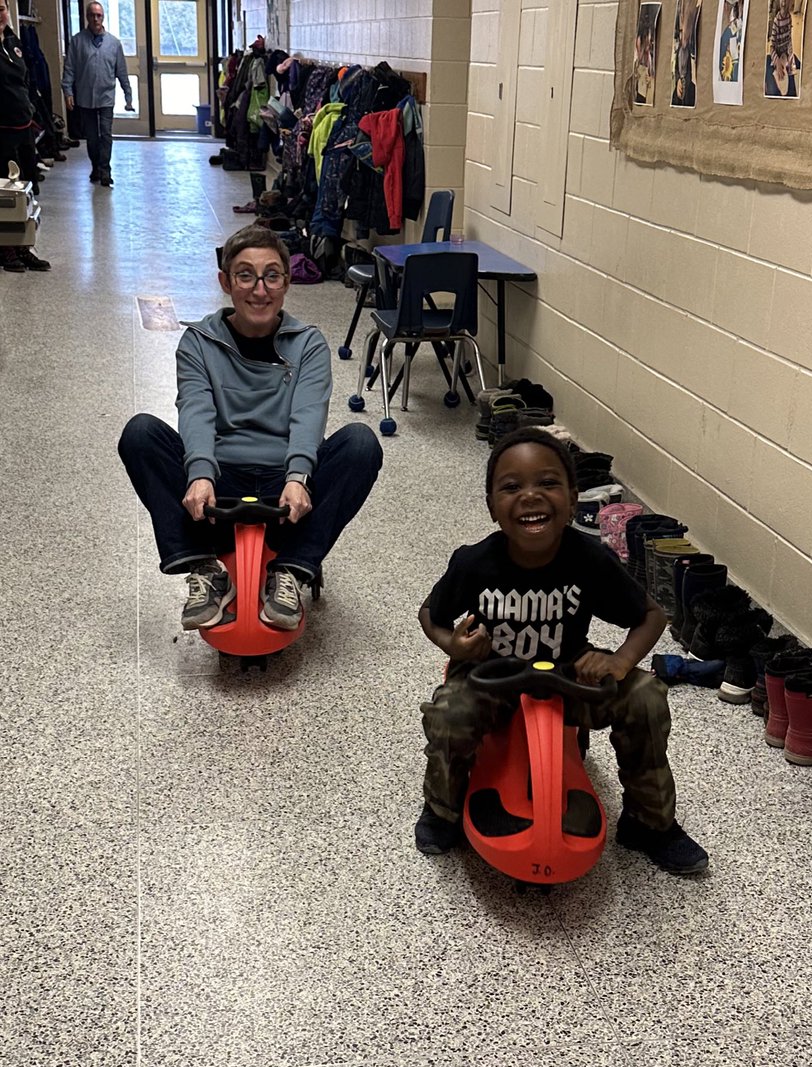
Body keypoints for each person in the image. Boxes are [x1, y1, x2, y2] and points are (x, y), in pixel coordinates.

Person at [414, 427, 709, 876]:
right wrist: (453, 644)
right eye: (511, 487)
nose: (530, 496)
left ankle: (650, 823)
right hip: (489, 679)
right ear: (492, 507)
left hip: (570, 677)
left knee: (646, 696)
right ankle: (443, 808)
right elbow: (429, 614)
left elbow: (651, 615)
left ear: (573, 500)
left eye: (547, 483)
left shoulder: (589, 558)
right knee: (449, 712)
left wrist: (620, 661)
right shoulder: (474, 562)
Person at [118, 224, 383, 632]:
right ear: (225, 282)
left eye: (271, 275)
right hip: (218, 483)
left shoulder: (308, 343)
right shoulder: (199, 342)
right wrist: (200, 473)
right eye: (245, 275)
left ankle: (292, 569)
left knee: (361, 444)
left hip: (287, 488)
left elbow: (308, 417)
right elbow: (196, 410)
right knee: (140, 433)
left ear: (287, 282)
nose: (259, 290)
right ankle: (204, 567)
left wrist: (298, 477)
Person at [0, 0, 51, 272]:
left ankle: (24, 246)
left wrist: (31, 109)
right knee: (6, 193)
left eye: (1, 8)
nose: (0, 14)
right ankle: (6, 250)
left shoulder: (13, 42)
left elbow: (27, 79)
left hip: (23, 126)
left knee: (28, 189)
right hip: (2, 132)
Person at [61, 1, 133, 187]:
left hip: (106, 97)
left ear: (103, 17)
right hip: (85, 99)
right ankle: (96, 166)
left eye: (99, 15)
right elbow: (69, 70)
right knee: (92, 138)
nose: (95, 19)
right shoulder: (77, 42)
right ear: (86, 17)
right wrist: (68, 92)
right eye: (92, 15)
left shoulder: (114, 44)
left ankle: (105, 170)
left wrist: (128, 96)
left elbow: (122, 72)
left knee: (106, 135)